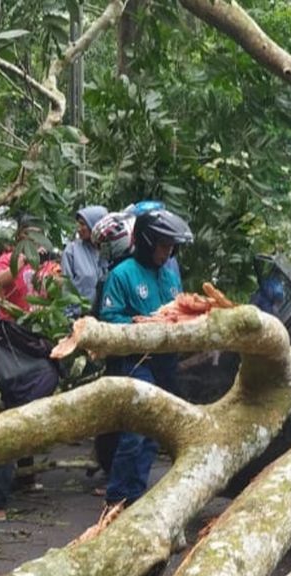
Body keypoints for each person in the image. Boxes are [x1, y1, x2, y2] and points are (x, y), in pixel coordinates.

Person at [99, 208, 193, 506]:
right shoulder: (121, 275)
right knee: (135, 434)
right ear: (147, 242)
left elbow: (179, 310)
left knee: (153, 434)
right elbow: (108, 319)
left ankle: (136, 495)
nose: (168, 253)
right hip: (136, 363)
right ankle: (116, 497)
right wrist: (142, 325)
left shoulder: (169, 275)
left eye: (171, 247)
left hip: (166, 362)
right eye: (163, 246)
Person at [0, 244, 60, 522]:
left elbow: (58, 295)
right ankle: (24, 479)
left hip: (38, 346)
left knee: (15, 418)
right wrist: (20, 261)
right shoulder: (8, 260)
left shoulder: (47, 266)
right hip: (13, 346)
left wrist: (50, 271)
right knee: (20, 412)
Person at [60, 205, 109, 314]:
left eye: (83, 224)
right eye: (78, 224)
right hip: (78, 315)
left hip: (104, 317)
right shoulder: (72, 251)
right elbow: (66, 287)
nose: (79, 228)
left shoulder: (109, 250)